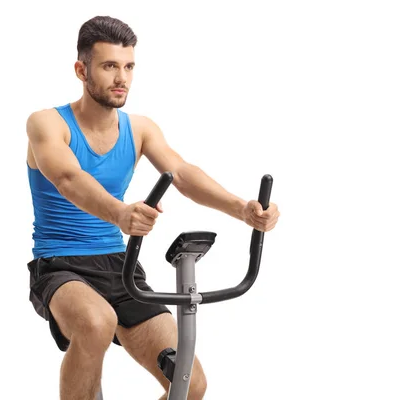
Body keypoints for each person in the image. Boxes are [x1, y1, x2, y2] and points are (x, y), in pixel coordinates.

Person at [25, 15, 280, 400]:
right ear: (82, 69)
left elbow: (181, 172)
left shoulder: (139, 129)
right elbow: (68, 178)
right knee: (96, 323)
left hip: (118, 265)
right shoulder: (47, 123)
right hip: (60, 264)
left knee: (190, 385)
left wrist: (241, 208)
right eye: (109, 66)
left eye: (128, 66)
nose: (121, 78)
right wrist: (120, 213)